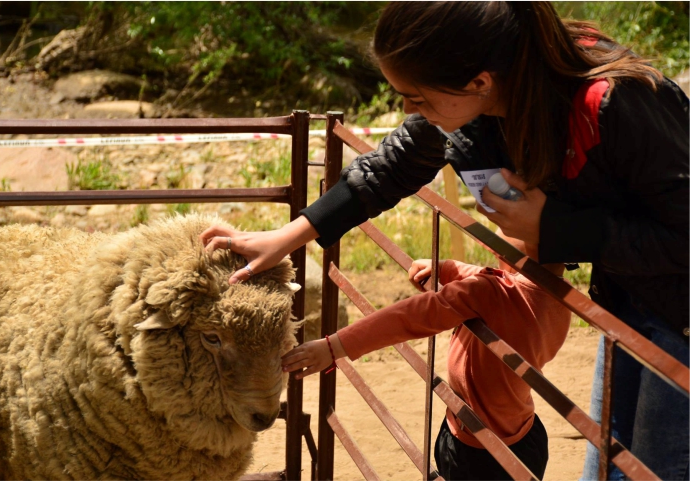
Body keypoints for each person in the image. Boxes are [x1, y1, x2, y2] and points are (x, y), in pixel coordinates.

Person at [200, 2, 689, 478]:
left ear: (478, 82)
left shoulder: (615, 101)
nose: (409, 111)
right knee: (612, 456)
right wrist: (290, 236)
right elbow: (395, 162)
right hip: (628, 295)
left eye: (418, 98)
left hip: (679, 312)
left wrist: (555, 228)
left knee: (658, 465)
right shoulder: (484, 101)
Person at [281, 237, 570, 480]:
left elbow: (409, 317)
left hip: (473, 451)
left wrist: (335, 346)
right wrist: (445, 270)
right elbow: (506, 281)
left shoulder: (488, 294)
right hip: (527, 441)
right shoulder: (561, 301)